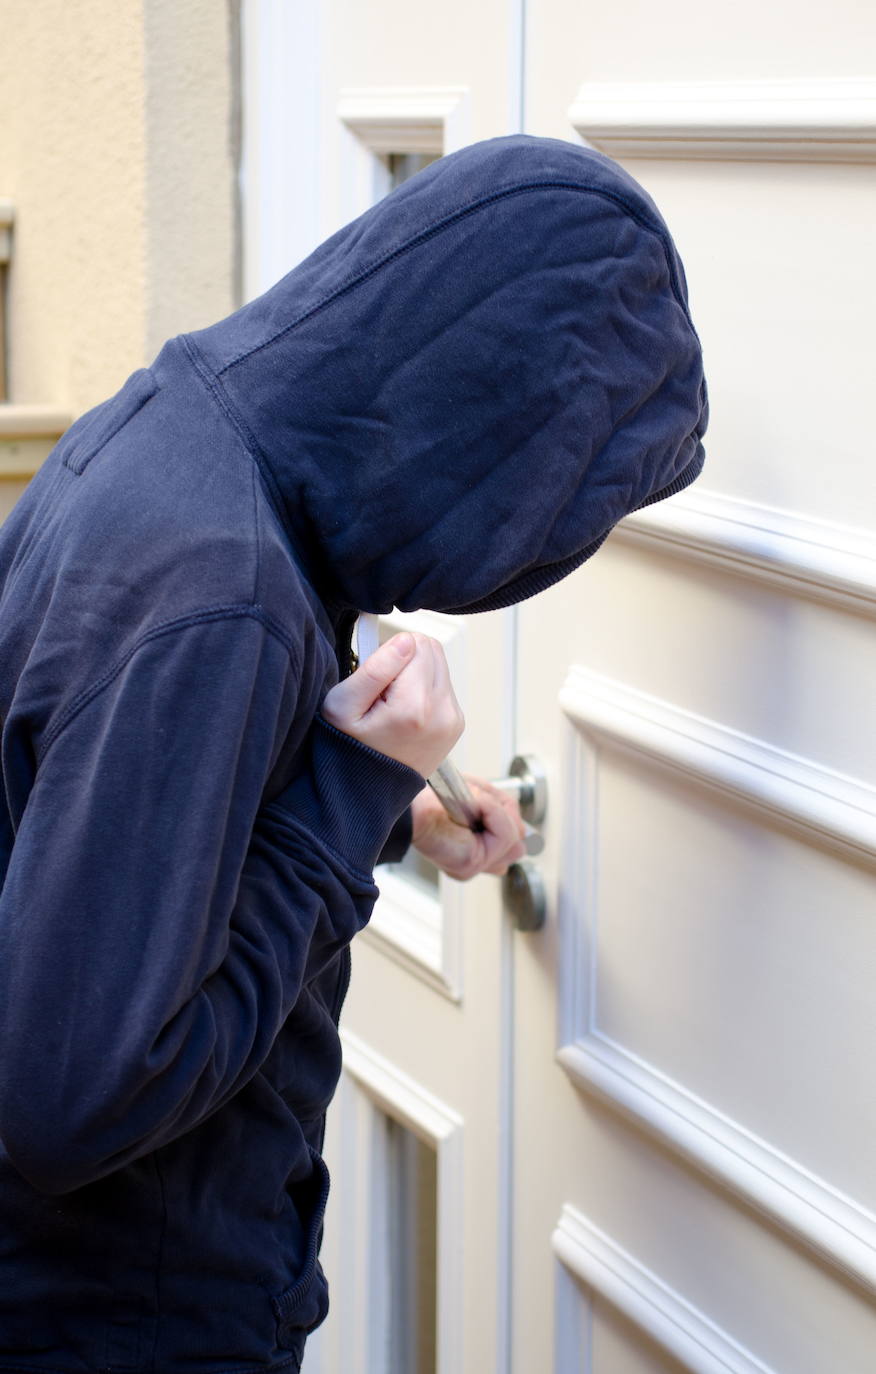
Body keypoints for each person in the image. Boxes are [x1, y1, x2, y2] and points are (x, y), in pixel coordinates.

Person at [0, 134, 707, 1371]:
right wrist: (348, 791)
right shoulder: (227, 593)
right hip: (128, 1313)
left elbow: (100, 807)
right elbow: (67, 1099)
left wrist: (396, 813)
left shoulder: (173, 433)